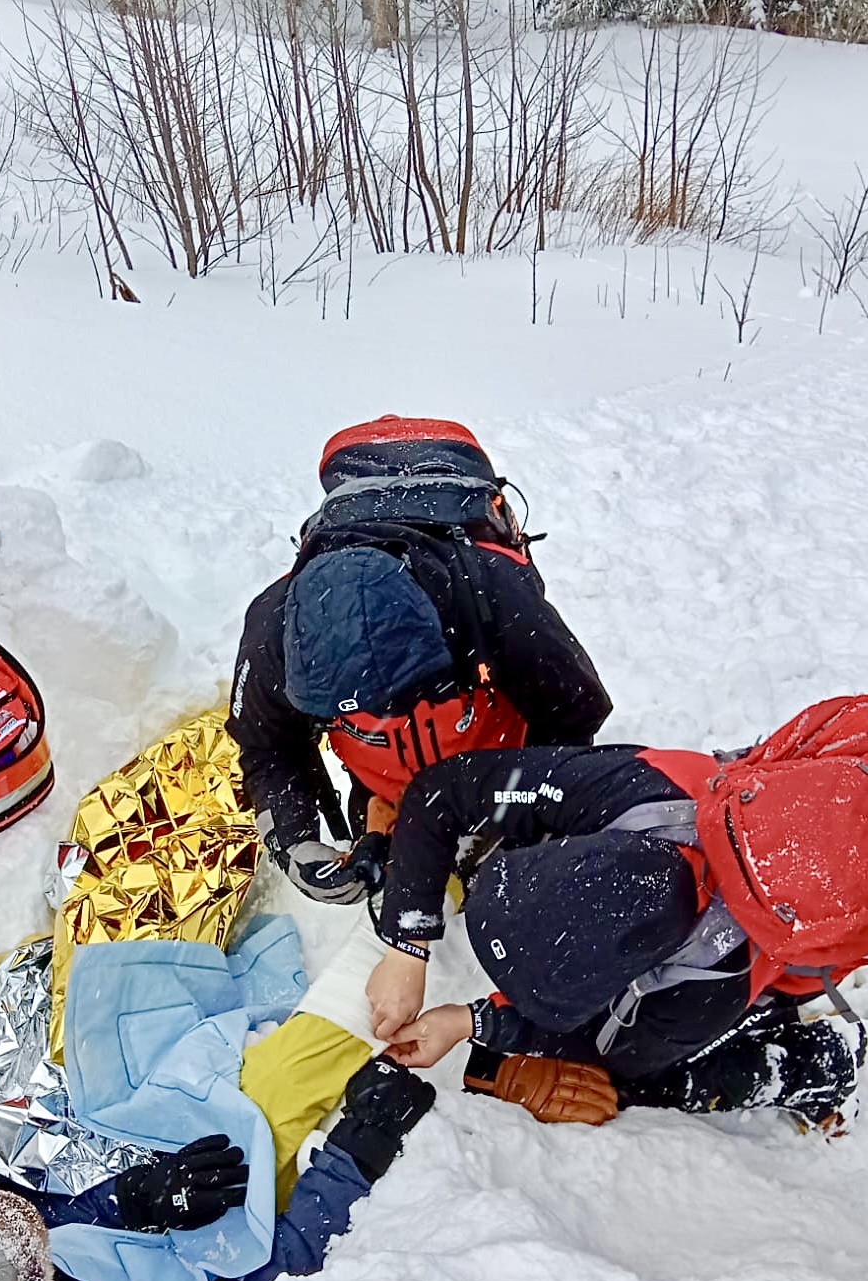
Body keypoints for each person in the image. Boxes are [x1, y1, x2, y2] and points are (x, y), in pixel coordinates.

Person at [363, 700, 868, 1131]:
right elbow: (445, 791)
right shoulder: (627, 788)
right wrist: (407, 946)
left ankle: (820, 1063)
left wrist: (477, 1023)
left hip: (812, 922)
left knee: (645, 1086)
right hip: (806, 797)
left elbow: (605, 1052)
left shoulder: (712, 980)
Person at [228, 415, 611, 905]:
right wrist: (293, 842)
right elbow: (267, 748)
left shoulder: (495, 597)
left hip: (493, 764)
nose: (378, 715)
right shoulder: (272, 630)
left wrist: (519, 815)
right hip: (383, 791)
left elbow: (573, 713)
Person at [0, 1056, 436, 1281]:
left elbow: (67, 1218)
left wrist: (137, 1199)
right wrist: (358, 1151)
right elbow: (281, 1270)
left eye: (51, 1279)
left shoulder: (23, 1251)